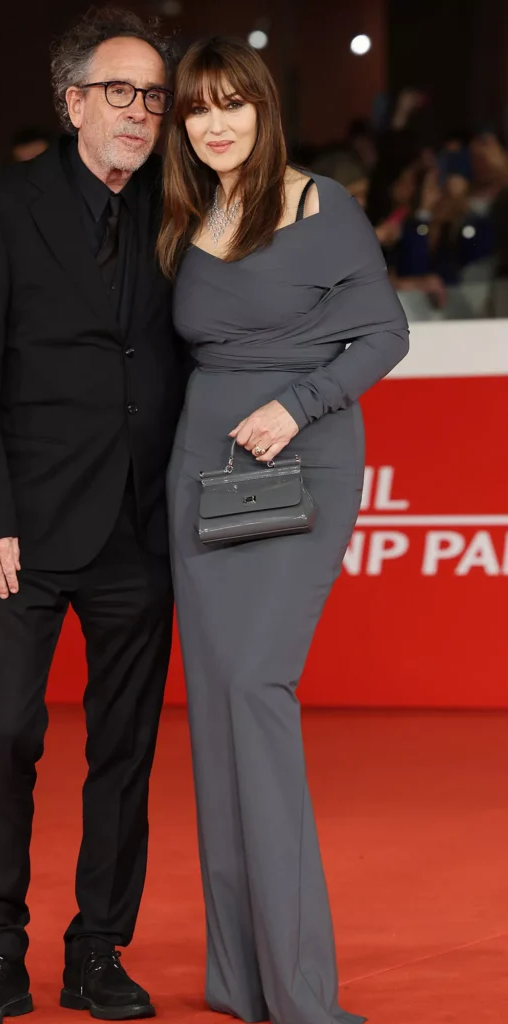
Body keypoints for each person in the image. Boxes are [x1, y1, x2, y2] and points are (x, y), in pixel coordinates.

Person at [158, 37, 409, 1024]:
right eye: (196, 110)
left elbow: (384, 332)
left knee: (256, 689)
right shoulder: (186, 213)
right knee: (216, 711)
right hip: (201, 473)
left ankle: (301, 992)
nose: (215, 124)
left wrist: (297, 404)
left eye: (232, 105)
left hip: (297, 462)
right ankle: (242, 978)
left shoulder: (320, 205)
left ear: (265, 110)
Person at [0, 9, 184, 1024]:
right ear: (72, 99)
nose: (140, 110)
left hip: (142, 526)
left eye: (153, 96)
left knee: (124, 749)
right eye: (120, 91)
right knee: (6, 734)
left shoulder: (177, 210)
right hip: (26, 533)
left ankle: (98, 948)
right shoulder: (0, 208)